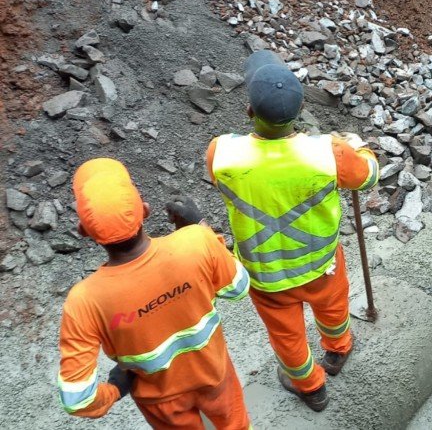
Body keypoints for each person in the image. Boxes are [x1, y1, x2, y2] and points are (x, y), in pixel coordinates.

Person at [206, 51, 379, 411]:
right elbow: (367, 177)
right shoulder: (328, 153)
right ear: (300, 111)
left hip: (268, 277)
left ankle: (310, 387)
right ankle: (337, 352)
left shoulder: (221, 154)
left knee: (287, 337)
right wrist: (359, 148)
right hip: (322, 265)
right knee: (332, 313)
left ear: (249, 111)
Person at [57, 158, 252, 429]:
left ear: (83, 231)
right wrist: (201, 228)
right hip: (215, 375)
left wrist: (114, 388)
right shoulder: (195, 241)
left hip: (161, 402)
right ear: (145, 210)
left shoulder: (84, 301)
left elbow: (78, 400)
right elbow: (238, 287)